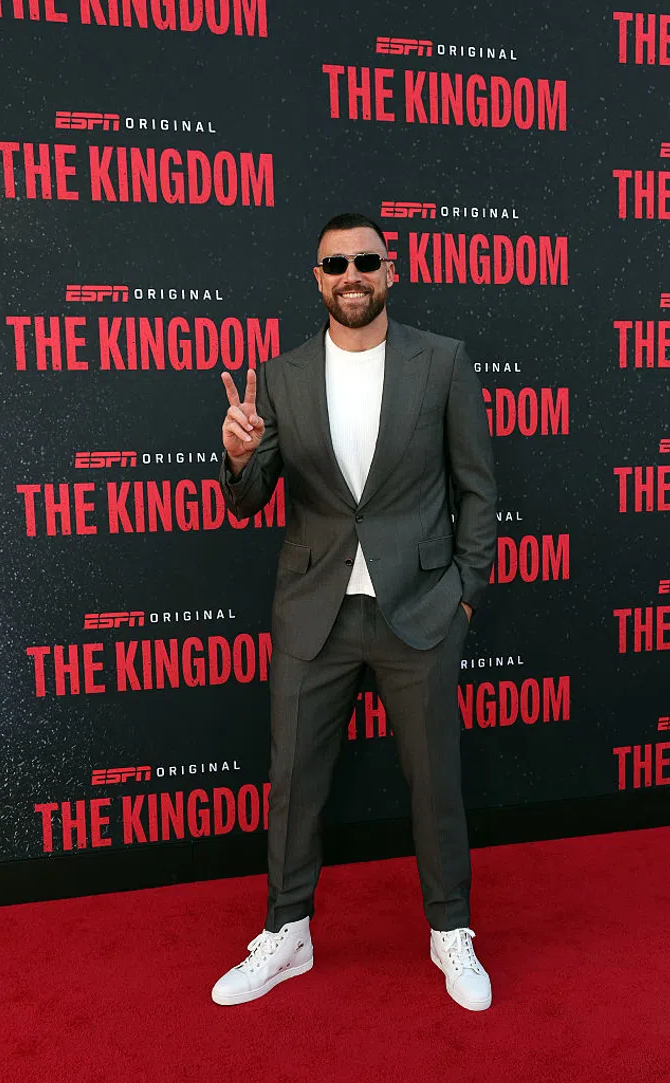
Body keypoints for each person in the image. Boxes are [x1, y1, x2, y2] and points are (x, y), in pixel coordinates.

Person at [212, 212, 497, 1011]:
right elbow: (251, 497)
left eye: (366, 260)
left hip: (420, 610)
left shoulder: (441, 362)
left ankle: (450, 931)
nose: (351, 274)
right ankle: (288, 932)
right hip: (315, 613)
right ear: (317, 278)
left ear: (390, 270)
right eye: (334, 263)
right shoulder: (283, 374)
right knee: (294, 781)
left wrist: (464, 595)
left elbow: (478, 489)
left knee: (436, 782)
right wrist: (237, 456)